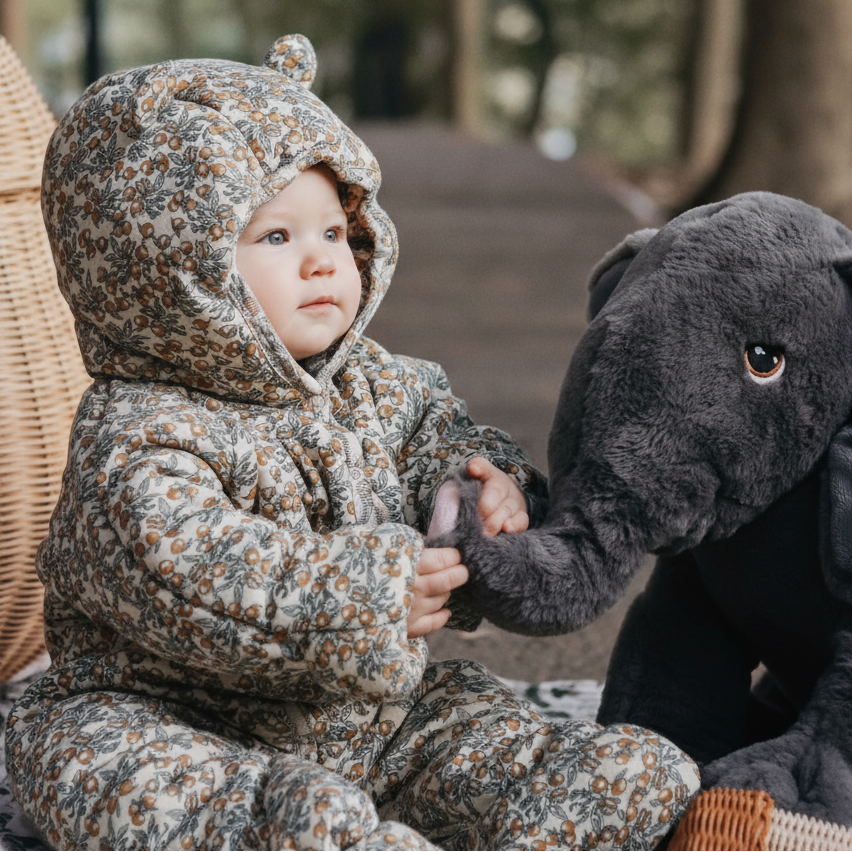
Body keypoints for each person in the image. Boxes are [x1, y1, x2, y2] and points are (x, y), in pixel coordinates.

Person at [6, 35, 699, 851]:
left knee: (478, 719)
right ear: (164, 267)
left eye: (336, 233)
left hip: (363, 721)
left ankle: (562, 797)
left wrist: (483, 492)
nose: (320, 263)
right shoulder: (136, 432)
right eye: (276, 238)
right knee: (109, 774)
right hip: (174, 717)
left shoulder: (374, 383)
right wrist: (369, 591)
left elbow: (443, 435)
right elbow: (192, 571)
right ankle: (287, 830)